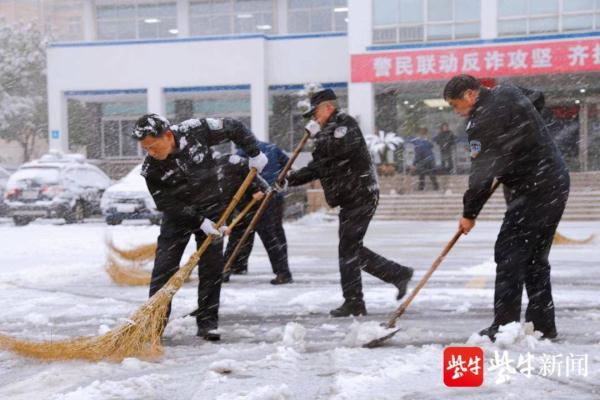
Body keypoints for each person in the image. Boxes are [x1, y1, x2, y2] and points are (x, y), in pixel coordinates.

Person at [443, 75, 570, 341]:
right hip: (555, 180)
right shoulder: (510, 92)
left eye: (456, 105)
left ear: (469, 95)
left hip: (532, 189)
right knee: (535, 258)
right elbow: (537, 97)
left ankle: (504, 325)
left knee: (509, 254)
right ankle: (542, 325)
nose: (457, 112)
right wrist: (520, 141)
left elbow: (480, 176)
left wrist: (469, 214)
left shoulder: (480, 123)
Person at [131, 113, 267, 341]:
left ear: (167, 135)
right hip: (178, 218)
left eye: (154, 146)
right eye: (146, 149)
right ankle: (154, 325)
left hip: (213, 209)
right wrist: (199, 222)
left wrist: (254, 152)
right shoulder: (151, 169)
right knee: (164, 270)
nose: (151, 152)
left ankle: (207, 322)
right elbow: (166, 203)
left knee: (212, 268)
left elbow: (233, 126)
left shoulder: (195, 130)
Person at [281, 89, 414, 317]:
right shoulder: (328, 132)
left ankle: (358, 299)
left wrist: (317, 136)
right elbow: (318, 166)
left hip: (361, 194)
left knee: (349, 249)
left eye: (315, 114)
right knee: (350, 249)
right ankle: (392, 276)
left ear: (328, 108)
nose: (314, 119)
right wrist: (290, 178)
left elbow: (340, 151)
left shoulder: (344, 124)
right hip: (351, 197)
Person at [225, 141, 293, 285]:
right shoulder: (272, 147)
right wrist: (279, 180)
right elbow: (288, 166)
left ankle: (282, 272)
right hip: (272, 195)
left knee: (256, 234)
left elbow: (244, 179)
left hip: (259, 197)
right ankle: (233, 267)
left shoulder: (240, 156)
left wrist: (257, 190)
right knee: (274, 234)